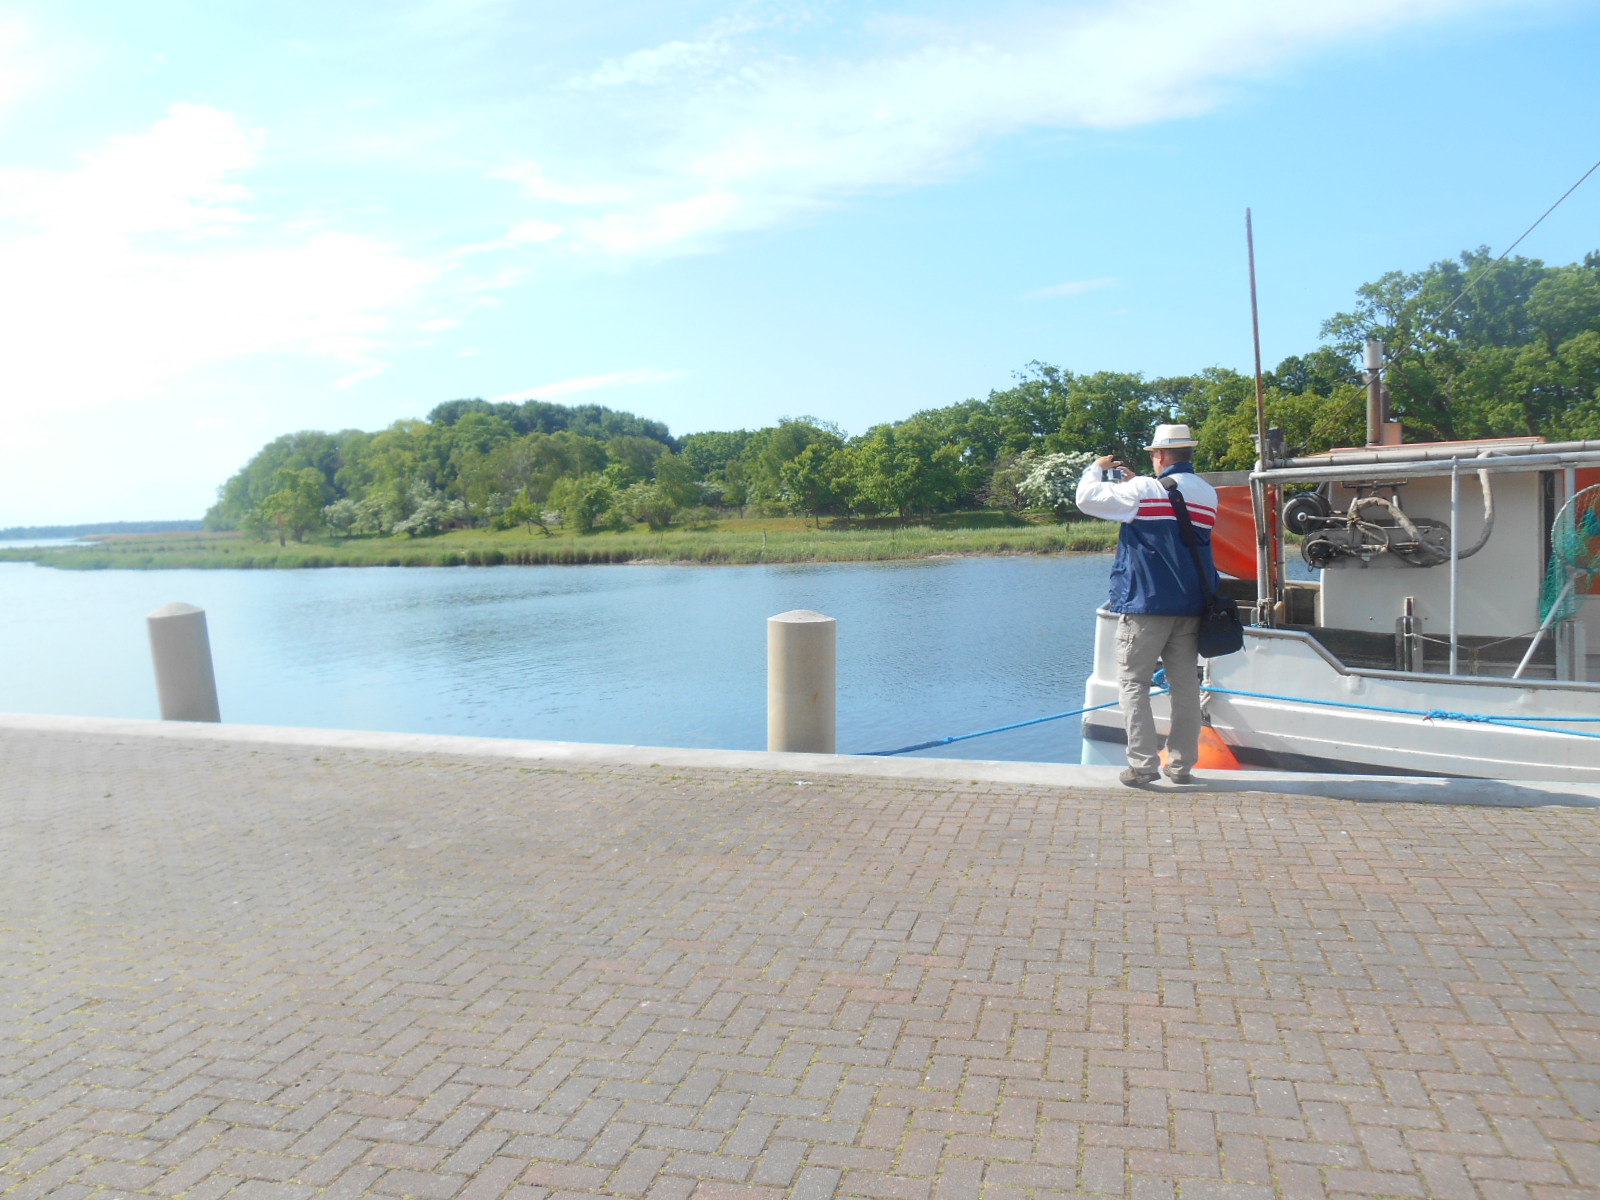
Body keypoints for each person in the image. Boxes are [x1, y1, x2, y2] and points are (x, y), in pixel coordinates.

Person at [1075, 424, 1220, 786]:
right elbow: (1172, 512)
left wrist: (1097, 467)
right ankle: (1182, 765)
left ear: (1160, 455)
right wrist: (1140, 482)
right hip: (1191, 606)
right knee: (1186, 686)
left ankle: (1142, 765)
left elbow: (1087, 498)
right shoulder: (1207, 493)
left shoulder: (1141, 490)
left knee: (1134, 683)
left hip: (1147, 604)